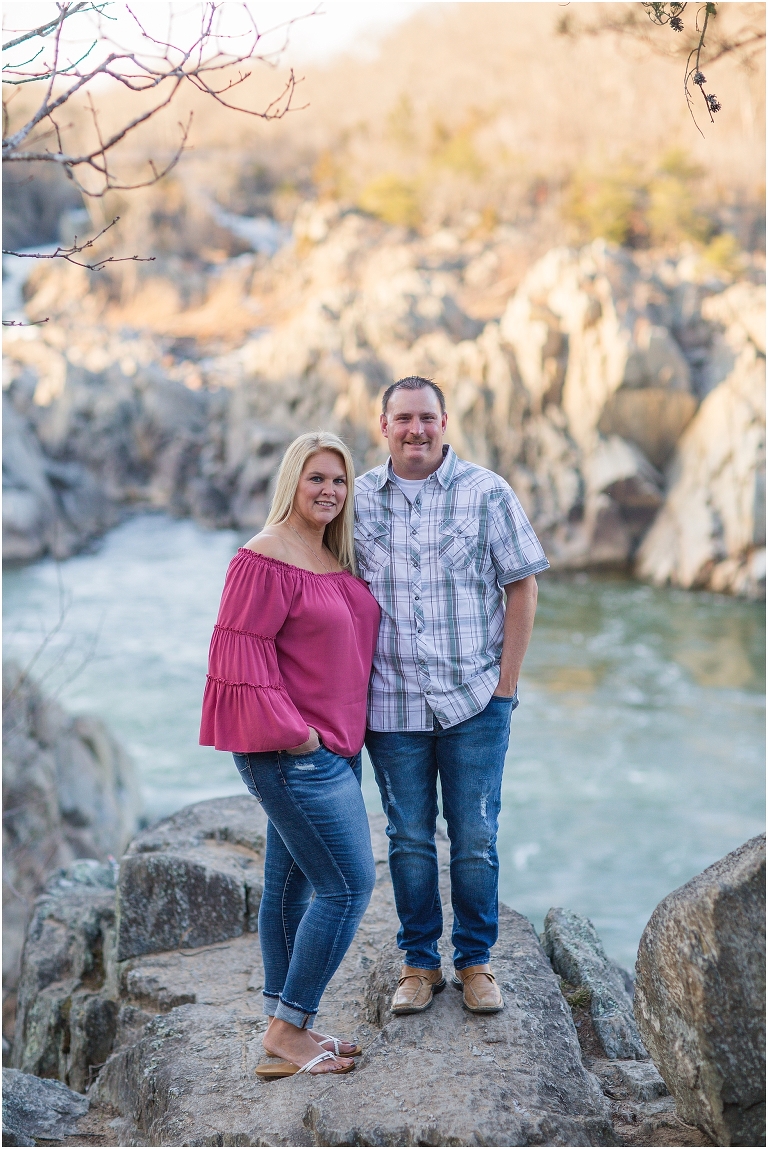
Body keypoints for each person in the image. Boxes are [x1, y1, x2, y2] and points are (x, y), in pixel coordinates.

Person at [355, 377, 549, 1017]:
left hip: (475, 700)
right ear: (383, 424)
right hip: (390, 704)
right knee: (408, 838)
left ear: (445, 423)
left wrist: (507, 683)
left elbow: (521, 585)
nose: (416, 429)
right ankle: (418, 964)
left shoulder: (486, 492)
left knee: (474, 838)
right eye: (403, 418)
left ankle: (475, 963)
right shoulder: (356, 501)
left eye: (427, 418)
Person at [200, 432, 380, 1077]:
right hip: (294, 752)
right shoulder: (265, 554)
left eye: (339, 480)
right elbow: (235, 653)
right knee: (349, 884)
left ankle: (283, 1020)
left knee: (291, 882)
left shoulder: (331, 554)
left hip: (331, 748)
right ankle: (289, 1029)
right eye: (316, 479)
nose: (329, 491)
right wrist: (295, 733)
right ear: (292, 484)